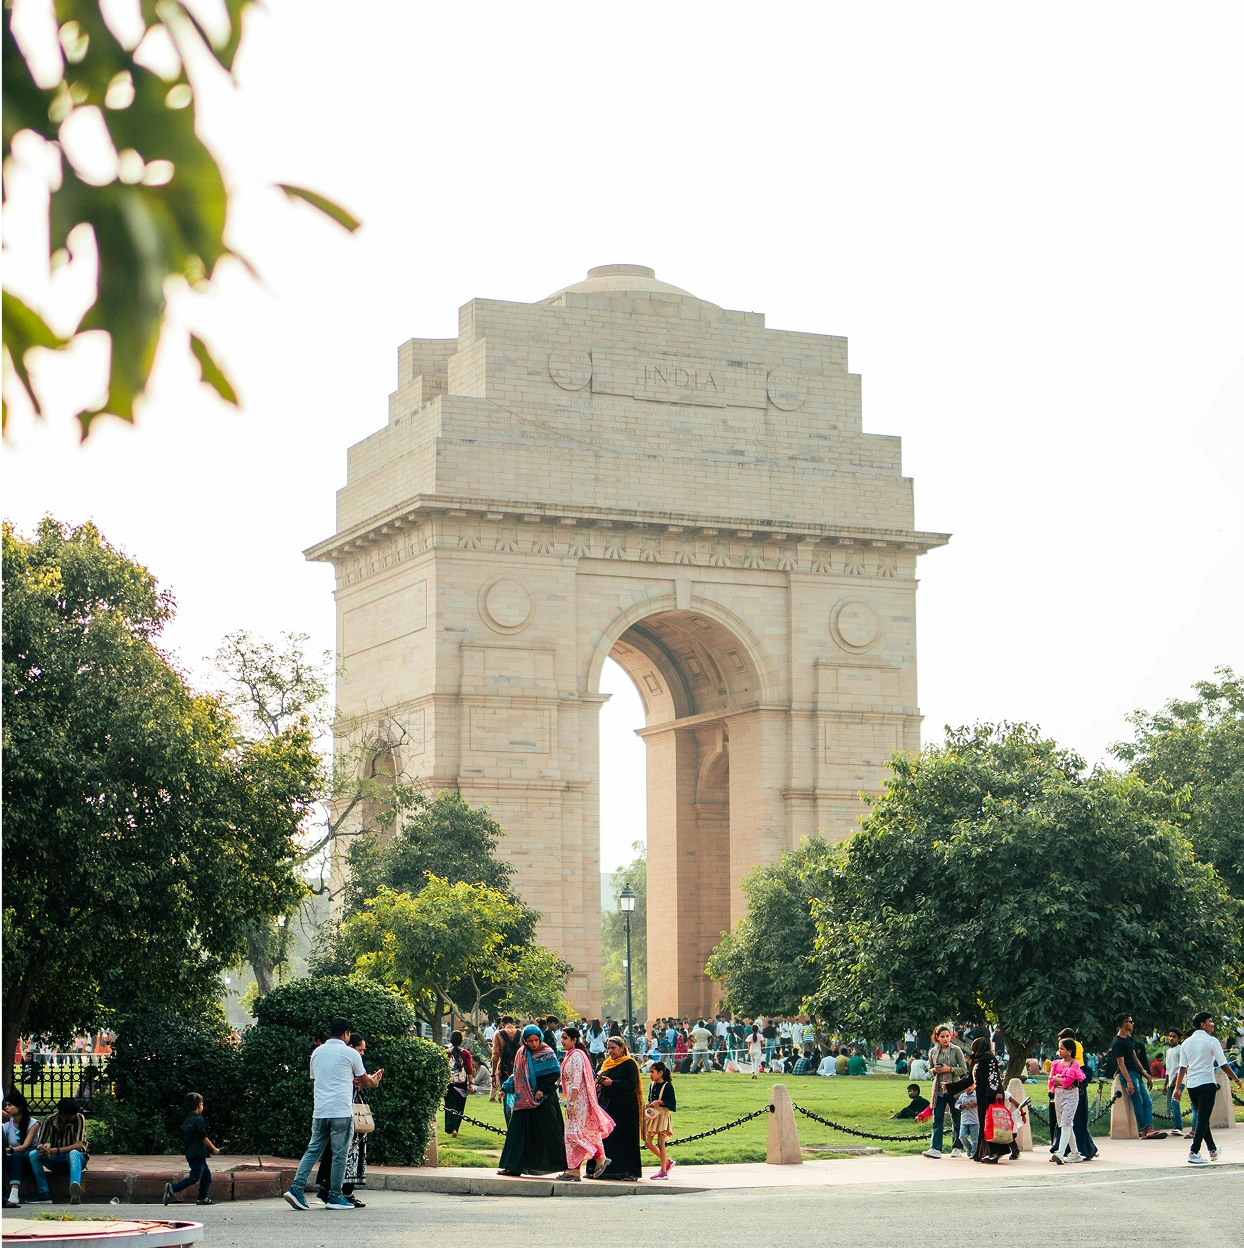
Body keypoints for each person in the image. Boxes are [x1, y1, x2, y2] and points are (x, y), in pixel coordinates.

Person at [284, 1017, 379, 1211]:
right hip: (341, 1111)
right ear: (346, 1034)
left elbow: (315, 1081)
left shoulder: (317, 1053)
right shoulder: (351, 1053)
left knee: (312, 1151)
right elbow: (365, 1081)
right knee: (339, 1155)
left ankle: (296, 1188)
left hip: (320, 1111)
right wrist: (374, 1081)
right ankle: (335, 1196)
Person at [314, 1032, 375, 1207]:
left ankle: (336, 1190)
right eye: (360, 1049)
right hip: (345, 1113)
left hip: (339, 1112)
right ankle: (338, 1192)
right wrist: (370, 1082)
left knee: (343, 1153)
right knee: (343, 1153)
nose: (361, 1053)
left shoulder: (338, 1059)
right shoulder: (348, 1060)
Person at [1173, 1011, 1243, 1165]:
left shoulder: (1186, 1043)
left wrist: (1177, 1088)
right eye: (1210, 1021)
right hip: (1207, 1083)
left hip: (1192, 1085)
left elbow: (1182, 1068)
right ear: (1202, 1024)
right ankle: (1194, 1152)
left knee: (1202, 1118)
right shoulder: (1212, 1041)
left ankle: (1212, 1150)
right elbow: (1223, 1064)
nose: (1213, 1024)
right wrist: (1236, 1079)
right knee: (1203, 1119)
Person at [497, 1025, 567, 1177]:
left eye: (536, 1040)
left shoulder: (547, 1052)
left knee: (551, 1132)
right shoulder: (521, 1053)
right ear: (525, 1041)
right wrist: (505, 1088)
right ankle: (512, 1167)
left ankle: (566, 1166)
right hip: (524, 1099)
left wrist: (543, 1089)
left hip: (543, 1099)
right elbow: (517, 1074)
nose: (534, 1044)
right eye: (530, 1041)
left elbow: (555, 1075)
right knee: (517, 1132)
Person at [555, 1026, 613, 1181]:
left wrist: (571, 1103)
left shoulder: (576, 1055)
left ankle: (599, 1157)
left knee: (573, 1135)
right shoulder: (570, 1055)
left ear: (574, 1040)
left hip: (578, 1102)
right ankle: (574, 1170)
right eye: (562, 1038)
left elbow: (576, 1082)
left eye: (565, 1038)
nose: (562, 1041)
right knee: (578, 1135)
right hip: (575, 1100)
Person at [590, 1035, 642, 1180]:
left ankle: (627, 1171)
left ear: (622, 1048)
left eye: (613, 1048)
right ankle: (606, 1170)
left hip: (625, 1108)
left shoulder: (629, 1063)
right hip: (609, 1107)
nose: (610, 1051)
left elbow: (631, 1083)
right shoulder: (607, 1064)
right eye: (608, 1048)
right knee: (609, 1138)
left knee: (624, 1139)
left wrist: (613, 1083)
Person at [1111, 1014, 1164, 1140]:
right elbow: (1121, 1064)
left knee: (1147, 1100)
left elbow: (1135, 1057)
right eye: (1130, 1021)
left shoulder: (1129, 1039)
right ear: (1124, 1023)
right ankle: (1144, 1129)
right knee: (1138, 1100)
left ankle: (1150, 1128)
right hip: (1128, 1074)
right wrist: (1129, 1081)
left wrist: (1144, 1072)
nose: (1132, 1023)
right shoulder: (1117, 1042)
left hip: (1136, 1073)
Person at [25, 1098, 88, 1205]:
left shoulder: (79, 1118)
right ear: (63, 1116)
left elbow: (78, 1145)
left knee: (73, 1153)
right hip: (56, 1159)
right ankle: (43, 1193)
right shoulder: (49, 1120)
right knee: (33, 1154)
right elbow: (39, 1142)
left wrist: (56, 1150)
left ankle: (75, 1191)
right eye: (71, 1115)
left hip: (75, 1159)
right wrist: (42, 1148)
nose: (75, 1116)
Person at [163, 1093, 218, 1206]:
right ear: (199, 1105)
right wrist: (214, 1148)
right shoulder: (198, 1120)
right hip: (198, 1152)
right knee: (195, 1176)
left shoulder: (187, 1121)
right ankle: (172, 1188)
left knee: (206, 1176)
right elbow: (202, 1136)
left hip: (190, 1152)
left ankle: (202, 1198)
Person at [922, 1026, 967, 1159]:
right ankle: (935, 1148)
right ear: (937, 1037)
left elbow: (964, 1069)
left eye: (947, 1036)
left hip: (953, 1088)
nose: (945, 1039)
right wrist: (935, 1070)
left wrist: (950, 1069)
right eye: (942, 1036)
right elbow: (929, 1068)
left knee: (956, 1117)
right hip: (939, 1089)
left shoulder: (956, 1050)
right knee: (937, 1119)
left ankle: (957, 1147)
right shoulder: (933, 1051)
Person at [1056, 1027, 1098, 1160]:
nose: (1060, 1049)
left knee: (1073, 1123)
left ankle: (1065, 1152)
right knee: (1070, 1124)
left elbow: (1079, 1073)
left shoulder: (1076, 1056)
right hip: (1066, 1092)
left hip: (1073, 1092)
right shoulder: (1066, 1058)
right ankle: (1079, 1151)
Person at [1048, 1037, 1087, 1164]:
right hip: (1059, 1096)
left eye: (1062, 1049)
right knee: (1066, 1124)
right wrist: (1059, 1079)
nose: (1059, 1051)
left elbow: (1067, 1082)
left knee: (1065, 1123)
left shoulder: (1074, 1064)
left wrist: (1058, 1079)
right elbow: (1052, 1080)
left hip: (1070, 1097)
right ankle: (1075, 1152)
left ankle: (1060, 1152)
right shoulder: (1056, 1064)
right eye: (1059, 1048)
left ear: (1069, 1051)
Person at [4, 1091, 39, 1208]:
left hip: (28, 1158)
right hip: (13, 1158)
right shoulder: (8, 1124)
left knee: (16, 1155)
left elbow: (25, 1147)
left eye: (10, 1105)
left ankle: (14, 1192)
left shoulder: (33, 1124)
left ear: (19, 1107)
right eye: (6, 1105)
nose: (6, 1108)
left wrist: (6, 1150)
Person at [444, 1031, 474, 1137]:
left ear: (450, 1039)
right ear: (461, 1041)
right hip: (461, 1083)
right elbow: (469, 1069)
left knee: (450, 1105)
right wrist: (471, 1083)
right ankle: (456, 1127)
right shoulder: (466, 1053)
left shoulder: (446, 1052)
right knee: (460, 1105)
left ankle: (451, 1128)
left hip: (449, 1083)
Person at [492, 1018, 521, 1118]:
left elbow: (495, 1056)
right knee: (520, 1097)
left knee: (506, 1096)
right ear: (513, 1023)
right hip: (519, 1069)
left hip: (504, 1069)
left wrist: (493, 1074)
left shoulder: (498, 1034)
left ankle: (509, 1124)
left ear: (502, 1023)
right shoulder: (521, 1034)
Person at [1164, 1029, 1186, 1137]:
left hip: (1180, 1081)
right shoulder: (1168, 1051)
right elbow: (1168, 1069)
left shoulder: (1180, 1049)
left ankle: (1178, 1127)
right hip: (1171, 1082)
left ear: (1178, 1039)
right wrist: (1165, 1084)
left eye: (1174, 1037)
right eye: (1170, 1036)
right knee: (1172, 1105)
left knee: (1175, 1102)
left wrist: (1175, 1081)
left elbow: (1182, 1067)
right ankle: (1175, 1126)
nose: (1171, 1038)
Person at [955, 1085, 979, 1155]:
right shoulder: (963, 1096)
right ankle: (969, 1148)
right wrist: (961, 1106)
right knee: (962, 1136)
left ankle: (974, 1153)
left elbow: (983, 1103)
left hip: (974, 1120)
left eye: (970, 1086)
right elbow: (956, 1104)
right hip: (964, 1120)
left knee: (975, 1139)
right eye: (967, 1086)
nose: (969, 1088)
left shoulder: (977, 1095)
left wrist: (976, 1102)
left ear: (974, 1086)